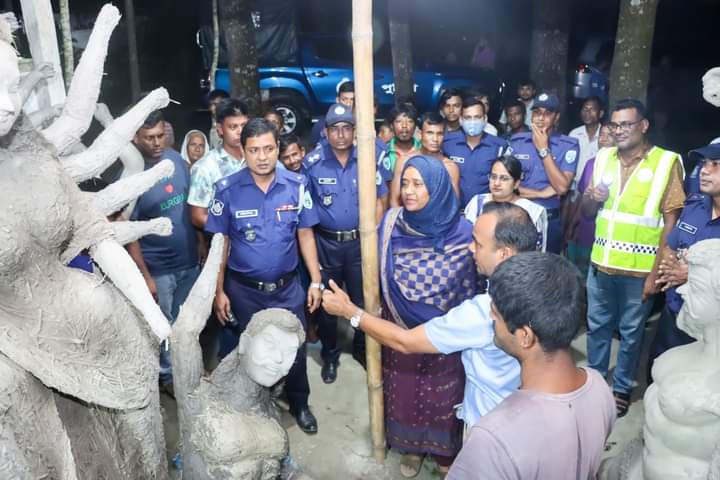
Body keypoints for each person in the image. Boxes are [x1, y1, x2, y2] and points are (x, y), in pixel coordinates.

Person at [321, 202, 538, 430]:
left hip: (490, 423)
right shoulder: (546, 280)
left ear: (504, 254)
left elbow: (405, 341)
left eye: (478, 244)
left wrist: (349, 311)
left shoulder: (486, 312)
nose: (470, 248)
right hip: (527, 413)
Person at [447, 252, 616, 480]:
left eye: (496, 316)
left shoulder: (493, 439)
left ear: (525, 336)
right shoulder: (600, 388)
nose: (490, 319)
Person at [205, 118, 323, 434]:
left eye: (268, 148)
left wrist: (315, 279)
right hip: (244, 292)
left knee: (294, 351)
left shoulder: (297, 187)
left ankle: (300, 404)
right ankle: (253, 409)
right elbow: (221, 245)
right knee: (248, 352)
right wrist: (218, 291)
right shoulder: (226, 191)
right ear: (242, 151)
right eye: (254, 150)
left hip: (287, 290)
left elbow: (306, 234)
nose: (262, 156)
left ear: (277, 149)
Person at [582, 99, 685, 417]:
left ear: (644, 125)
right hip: (601, 263)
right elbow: (588, 212)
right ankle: (596, 381)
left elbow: (671, 221)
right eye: (614, 125)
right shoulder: (602, 158)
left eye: (626, 124)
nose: (619, 130)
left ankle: (622, 387)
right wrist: (591, 198)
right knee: (597, 327)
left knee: (630, 333)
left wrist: (657, 274)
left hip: (639, 270)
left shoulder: (666, 162)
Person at [376, 155, 478, 477]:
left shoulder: (465, 234)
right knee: (405, 392)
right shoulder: (391, 224)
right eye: (405, 182)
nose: (409, 191)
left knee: (443, 397)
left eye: (418, 184)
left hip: (448, 336)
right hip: (400, 328)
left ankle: (442, 451)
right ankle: (411, 447)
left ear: (438, 187)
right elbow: (378, 273)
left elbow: (475, 284)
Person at [303, 103, 388, 383]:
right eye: (335, 129)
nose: (341, 134)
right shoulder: (312, 164)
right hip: (326, 244)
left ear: (354, 131)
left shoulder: (366, 158)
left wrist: (373, 237)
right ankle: (330, 356)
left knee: (364, 300)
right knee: (328, 305)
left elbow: (379, 200)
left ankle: (363, 349)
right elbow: (306, 211)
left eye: (346, 128)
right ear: (326, 133)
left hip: (359, 245)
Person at [126, 110, 200, 395]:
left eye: (160, 136)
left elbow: (190, 208)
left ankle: (186, 369)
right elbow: (130, 232)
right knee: (163, 325)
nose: (157, 143)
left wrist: (200, 247)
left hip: (189, 261)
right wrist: (145, 276)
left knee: (187, 321)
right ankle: (167, 376)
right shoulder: (132, 176)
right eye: (149, 138)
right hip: (159, 268)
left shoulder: (176, 161)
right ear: (136, 137)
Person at [647, 142, 720, 378]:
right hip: (675, 312)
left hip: (711, 327)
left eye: (715, 165)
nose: (705, 170)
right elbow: (671, 245)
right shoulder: (694, 206)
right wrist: (671, 265)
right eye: (703, 164)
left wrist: (690, 274)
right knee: (658, 374)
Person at [507, 92, 580, 253]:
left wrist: (543, 149)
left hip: (549, 220)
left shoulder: (568, 145)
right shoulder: (518, 142)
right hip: (519, 216)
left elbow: (561, 188)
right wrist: (542, 194)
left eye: (547, 114)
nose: (541, 118)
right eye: (537, 113)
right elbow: (506, 185)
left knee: (544, 273)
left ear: (557, 117)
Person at [187, 98, 248, 229]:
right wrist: (232, 229)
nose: (240, 132)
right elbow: (197, 216)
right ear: (220, 129)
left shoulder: (259, 158)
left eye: (243, 125)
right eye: (233, 127)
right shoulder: (205, 167)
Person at [464, 156, 547, 251]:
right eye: (493, 177)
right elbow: (467, 240)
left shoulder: (532, 211)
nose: (496, 183)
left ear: (516, 183)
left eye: (504, 179)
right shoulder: (477, 202)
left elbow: (537, 253)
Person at [565, 124, 615, 277]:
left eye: (609, 135)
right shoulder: (591, 163)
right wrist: (571, 227)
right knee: (580, 274)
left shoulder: (620, 165)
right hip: (586, 226)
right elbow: (580, 198)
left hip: (605, 230)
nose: (604, 139)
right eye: (602, 135)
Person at [442, 96, 507, 208]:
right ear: (461, 120)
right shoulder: (447, 143)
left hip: (485, 211)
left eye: (477, 117)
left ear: (485, 119)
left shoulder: (499, 146)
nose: (472, 122)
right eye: (468, 117)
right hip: (454, 212)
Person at [389, 112, 460, 205]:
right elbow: (394, 200)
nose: (435, 139)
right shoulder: (404, 161)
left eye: (439, 134)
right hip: (409, 218)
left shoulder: (450, 167)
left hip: (438, 218)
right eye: (430, 133)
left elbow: (454, 204)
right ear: (420, 134)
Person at [568, 96, 605, 192]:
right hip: (573, 188)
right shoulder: (574, 134)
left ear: (600, 114)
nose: (587, 113)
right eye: (585, 109)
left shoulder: (606, 136)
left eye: (592, 109)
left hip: (596, 189)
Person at [310, 80, 355, 147]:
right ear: (337, 100)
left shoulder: (364, 125)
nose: (348, 104)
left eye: (352, 100)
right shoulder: (321, 125)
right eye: (344, 99)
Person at [386, 103, 422, 173]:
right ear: (391, 126)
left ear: (415, 126)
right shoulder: (384, 151)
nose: (404, 125)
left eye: (409, 121)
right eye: (399, 121)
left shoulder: (423, 149)